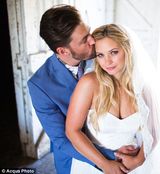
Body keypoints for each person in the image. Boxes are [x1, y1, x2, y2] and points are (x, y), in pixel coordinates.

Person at [27, 5, 137, 174]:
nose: (93, 41)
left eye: (89, 32)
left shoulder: (103, 56)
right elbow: (62, 139)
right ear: (63, 51)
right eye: (84, 39)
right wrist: (108, 158)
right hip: (77, 159)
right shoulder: (40, 85)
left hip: (123, 144)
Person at [66, 24, 160, 174]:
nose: (107, 62)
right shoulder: (89, 84)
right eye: (100, 55)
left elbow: (155, 129)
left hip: (133, 165)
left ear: (128, 49)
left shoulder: (143, 87)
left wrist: (138, 160)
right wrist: (104, 164)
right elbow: (72, 130)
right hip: (94, 165)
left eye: (114, 52)